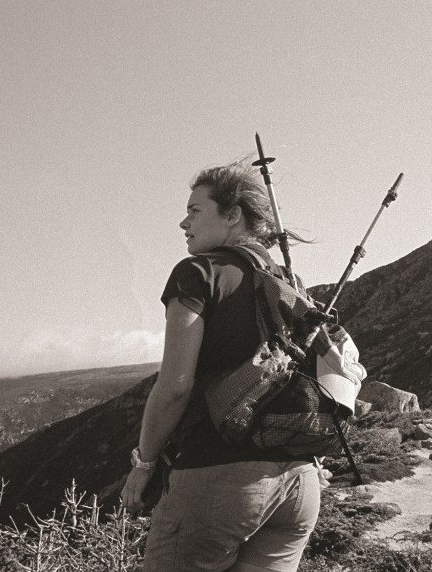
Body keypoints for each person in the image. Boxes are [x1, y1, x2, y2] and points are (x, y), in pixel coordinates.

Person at [121, 161, 321, 572]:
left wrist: (143, 466)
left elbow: (175, 386)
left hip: (219, 481)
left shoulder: (197, 274)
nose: (183, 222)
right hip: (299, 486)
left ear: (232, 215)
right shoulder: (288, 283)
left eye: (195, 210)